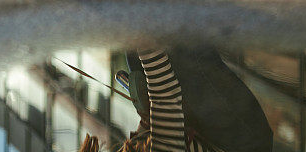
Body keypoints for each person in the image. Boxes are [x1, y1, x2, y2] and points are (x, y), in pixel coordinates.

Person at [79, 47, 274, 152]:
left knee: (134, 53)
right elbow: (165, 96)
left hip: (202, 134)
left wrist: (146, 120)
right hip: (241, 143)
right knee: (179, 52)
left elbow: (151, 129)